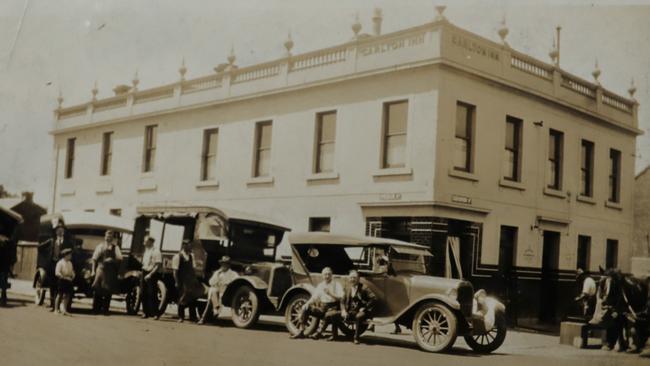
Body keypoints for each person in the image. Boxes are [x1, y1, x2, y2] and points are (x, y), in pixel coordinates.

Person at [291, 267, 344, 341]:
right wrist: (307, 304)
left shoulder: (337, 284)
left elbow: (341, 298)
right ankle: (301, 332)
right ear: (322, 276)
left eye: (329, 274)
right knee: (306, 308)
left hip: (333, 307)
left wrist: (330, 293)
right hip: (322, 307)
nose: (327, 276)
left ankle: (319, 333)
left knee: (328, 314)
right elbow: (314, 297)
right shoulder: (321, 285)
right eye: (325, 274)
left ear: (332, 275)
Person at [39, 222, 73, 311]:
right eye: (58, 231)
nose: (60, 232)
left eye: (62, 231)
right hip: (52, 266)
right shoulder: (51, 241)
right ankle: (53, 305)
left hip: (63, 265)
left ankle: (63, 306)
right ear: (56, 232)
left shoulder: (68, 242)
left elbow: (73, 251)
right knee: (52, 285)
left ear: (64, 232)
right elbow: (40, 247)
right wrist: (46, 257)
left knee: (62, 286)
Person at [198, 256, 238, 325]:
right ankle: (213, 310)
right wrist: (217, 275)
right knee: (213, 291)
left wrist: (227, 284)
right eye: (222, 264)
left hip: (226, 293)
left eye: (226, 264)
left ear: (229, 265)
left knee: (212, 295)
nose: (224, 265)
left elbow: (237, 282)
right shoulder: (218, 272)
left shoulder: (233, 274)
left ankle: (206, 316)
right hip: (216, 292)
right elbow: (211, 282)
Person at [172, 239, 205, 323]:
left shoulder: (191, 256)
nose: (190, 247)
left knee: (193, 298)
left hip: (191, 280)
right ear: (184, 246)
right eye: (188, 245)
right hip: (182, 280)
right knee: (182, 297)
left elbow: (193, 268)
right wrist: (176, 281)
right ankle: (181, 316)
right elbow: (175, 271)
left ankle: (192, 317)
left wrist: (195, 279)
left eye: (190, 245)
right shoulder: (178, 256)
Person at [91, 230, 123, 315]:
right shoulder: (100, 246)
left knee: (108, 290)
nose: (108, 238)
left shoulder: (115, 247)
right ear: (104, 237)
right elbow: (94, 259)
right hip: (100, 269)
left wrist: (112, 260)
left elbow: (120, 259)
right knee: (98, 289)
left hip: (110, 271)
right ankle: (95, 309)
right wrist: (93, 271)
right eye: (107, 236)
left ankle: (105, 309)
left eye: (110, 237)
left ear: (112, 238)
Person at [341, 269, 376, 344]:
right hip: (349, 311)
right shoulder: (347, 288)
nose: (352, 279)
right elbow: (342, 301)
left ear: (358, 279)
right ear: (348, 278)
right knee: (335, 315)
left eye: (354, 278)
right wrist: (343, 310)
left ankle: (356, 337)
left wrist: (365, 307)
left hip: (361, 311)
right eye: (351, 278)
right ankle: (335, 335)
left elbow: (373, 298)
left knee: (358, 316)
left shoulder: (364, 287)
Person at [140, 235, 162, 319]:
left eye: (145, 241)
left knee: (152, 293)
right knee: (142, 293)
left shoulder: (156, 251)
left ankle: (156, 313)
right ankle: (145, 312)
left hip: (151, 273)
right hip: (144, 271)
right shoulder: (146, 250)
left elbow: (158, 265)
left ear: (150, 242)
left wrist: (150, 274)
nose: (144, 242)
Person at [54, 248, 75, 315]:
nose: (70, 256)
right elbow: (57, 273)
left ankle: (64, 310)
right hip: (62, 280)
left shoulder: (70, 263)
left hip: (68, 281)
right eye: (69, 255)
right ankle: (56, 310)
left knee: (68, 295)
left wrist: (72, 276)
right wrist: (64, 277)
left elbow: (72, 272)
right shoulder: (60, 263)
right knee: (60, 295)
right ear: (65, 255)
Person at [0, 233, 17, 307]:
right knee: (3, 280)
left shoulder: (10, 242)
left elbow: (12, 254)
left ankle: (3, 298)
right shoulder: (10, 242)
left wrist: (11, 263)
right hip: (4, 264)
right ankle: (3, 298)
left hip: (5, 264)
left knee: (4, 280)